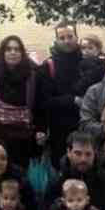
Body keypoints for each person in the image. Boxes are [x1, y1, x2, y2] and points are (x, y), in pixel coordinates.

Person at [0, 35, 46, 166]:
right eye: (8, 49)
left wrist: (41, 129)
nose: (13, 52)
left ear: (22, 53)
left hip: (25, 137)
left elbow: (40, 106)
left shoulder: (32, 76)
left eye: (17, 49)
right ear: (2, 52)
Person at [42, 24, 90, 157]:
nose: (67, 41)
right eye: (62, 37)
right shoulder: (48, 66)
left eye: (70, 36)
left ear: (77, 38)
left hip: (87, 127)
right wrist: (72, 100)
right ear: (56, 41)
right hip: (59, 130)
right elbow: (44, 100)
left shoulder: (90, 61)